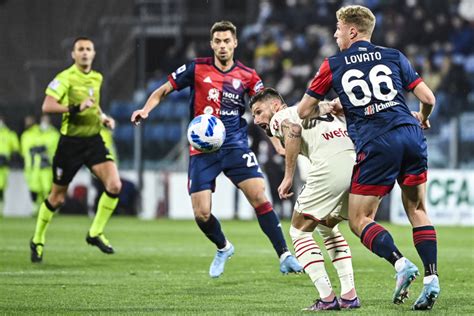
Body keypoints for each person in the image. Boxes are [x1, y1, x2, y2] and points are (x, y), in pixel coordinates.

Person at [131, 21, 302, 278]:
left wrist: (276, 141)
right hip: (202, 149)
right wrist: (146, 109)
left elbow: (264, 111)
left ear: (235, 43)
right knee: (201, 214)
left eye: (227, 41)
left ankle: (284, 255)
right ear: (212, 44)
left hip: (235, 144)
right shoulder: (196, 68)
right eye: (218, 41)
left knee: (260, 197)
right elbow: (164, 89)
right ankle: (223, 247)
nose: (222, 46)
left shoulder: (248, 75)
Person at [297, 5, 439, 310]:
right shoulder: (394, 55)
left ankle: (401, 264)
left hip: (377, 143)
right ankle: (432, 278)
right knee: (417, 209)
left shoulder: (333, 64)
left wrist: (331, 105)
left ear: (352, 30)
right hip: (410, 133)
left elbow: (303, 111)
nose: (335, 35)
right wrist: (423, 118)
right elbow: (428, 98)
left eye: (337, 29)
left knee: (360, 219)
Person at [251, 88, 360, 311]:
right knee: (327, 227)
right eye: (253, 115)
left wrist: (288, 176)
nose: (256, 120)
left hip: (330, 168)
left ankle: (327, 299)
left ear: (275, 106)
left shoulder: (282, 116)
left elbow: (293, 129)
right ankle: (349, 295)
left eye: (259, 111)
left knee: (298, 231)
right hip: (356, 166)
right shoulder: (320, 109)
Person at [30, 37, 122, 263]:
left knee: (114, 185)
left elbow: (94, 103)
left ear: (93, 53)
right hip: (70, 144)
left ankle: (95, 232)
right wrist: (74, 108)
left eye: (88, 49)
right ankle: (37, 239)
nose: (84, 53)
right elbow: (47, 105)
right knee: (57, 198)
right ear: (73, 54)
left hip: (93, 141)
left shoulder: (97, 78)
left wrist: (103, 118)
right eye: (80, 49)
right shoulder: (65, 78)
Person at [21, 115, 60, 214]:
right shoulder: (34, 133)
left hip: (48, 165)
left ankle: (48, 207)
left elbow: (53, 148)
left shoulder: (54, 134)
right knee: (35, 188)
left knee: (47, 188)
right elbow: (30, 148)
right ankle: (37, 208)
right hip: (33, 166)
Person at [0, 114, 20, 216]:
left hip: (3, 166)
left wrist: (8, 159)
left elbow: (16, 150)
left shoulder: (9, 134)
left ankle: (1, 208)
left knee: (1, 187)